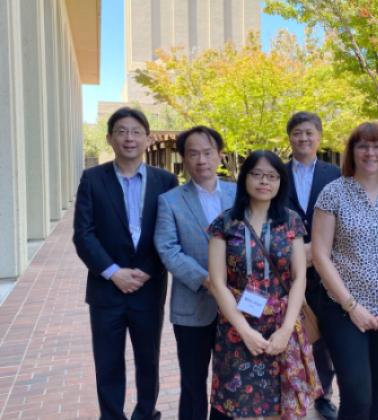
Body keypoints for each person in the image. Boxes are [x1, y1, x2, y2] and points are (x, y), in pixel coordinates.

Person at [73, 107, 178, 419]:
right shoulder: (92, 179)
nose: (129, 138)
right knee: (107, 361)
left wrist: (148, 269)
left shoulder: (166, 181)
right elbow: (84, 234)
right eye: (121, 131)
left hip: (149, 286)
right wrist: (113, 272)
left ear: (147, 138)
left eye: (135, 131)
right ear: (109, 138)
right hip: (106, 290)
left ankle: (146, 413)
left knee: (149, 358)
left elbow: (170, 231)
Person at [206, 150, 321, 419]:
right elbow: (217, 282)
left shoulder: (290, 221)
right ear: (244, 178)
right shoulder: (224, 223)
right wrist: (244, 331)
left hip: (281, 327)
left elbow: (298, 278)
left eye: (271, 176)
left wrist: (284, 331)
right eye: (256, 174)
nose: (264, 181)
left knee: (280, 406)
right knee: (239, 405)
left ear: (281, 181)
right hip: (237, 328)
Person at [312, 122, 378, 420]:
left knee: (376, 393)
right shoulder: (334, 193)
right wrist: (351, 306)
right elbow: (320, 254)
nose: (371, 152)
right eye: (363, 146)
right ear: (352, 152)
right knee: (357, 394)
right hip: (343, 310)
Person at [154, 126, 235, 420]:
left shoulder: (239, 194)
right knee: (193, 381)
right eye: (193, 154)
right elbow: (168, 249)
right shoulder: (170, 200)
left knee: (230, 381)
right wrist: (208, 281)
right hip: (192, 305)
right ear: (184, 159)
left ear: (220, 156)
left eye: (207, 152)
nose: (201, 160)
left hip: (238, 307)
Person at [284, 111, 340, 420]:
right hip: (287, 269)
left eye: (309, 133)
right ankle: (290, 392)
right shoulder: (277, 173)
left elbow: (344, 220)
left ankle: (323, 395)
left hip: (326, 267)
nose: (303, 138)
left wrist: (317, 250)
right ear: (289, 137)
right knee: (291, 330)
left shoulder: (335, 173)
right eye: (297, 133)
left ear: (319, 136)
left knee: (325, 335)